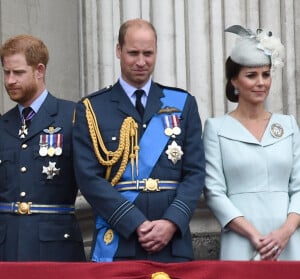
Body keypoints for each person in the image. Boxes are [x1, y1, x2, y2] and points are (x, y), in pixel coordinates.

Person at [73, 18, 205, 262]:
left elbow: (195, 173)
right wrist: (134, 222)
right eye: (133, 53)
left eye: (148, 53)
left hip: (172, 241)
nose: (141, 62)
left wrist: (171, 221)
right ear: (118, 51)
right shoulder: (92, 108)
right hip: (119, 239)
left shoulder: (182, 103)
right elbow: (88, 178)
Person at [203, 25, 300, 260]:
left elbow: (299, 187)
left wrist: (284, 232)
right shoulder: (216, 129)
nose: (261, 82)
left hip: (288, 239)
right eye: (251, 75)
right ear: (234, 81)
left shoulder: (288, 125)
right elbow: (214, 192)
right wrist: (254, 236)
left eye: (266, 74)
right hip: (241, 239)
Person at [0, 34, 86, 261]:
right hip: (7, 250)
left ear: (39, 70)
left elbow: (93, 182)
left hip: (56, 249)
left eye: (18, 73)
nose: (10, 80)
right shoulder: (3, 125)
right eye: (6, 72)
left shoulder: (73, 116)